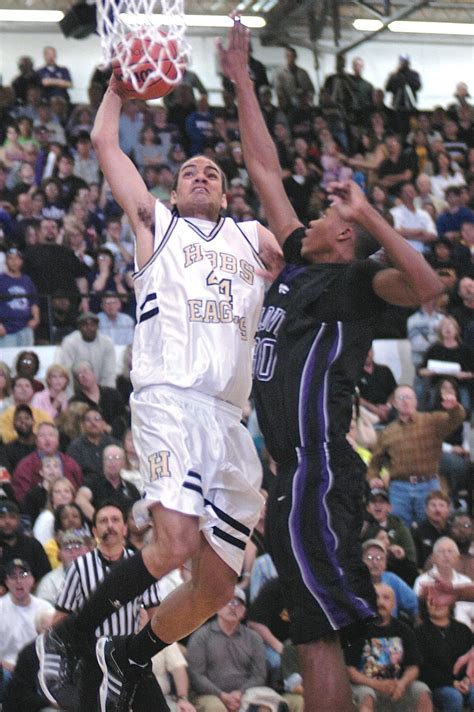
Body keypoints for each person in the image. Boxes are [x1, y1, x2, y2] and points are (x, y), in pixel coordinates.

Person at [37, 39, 279, 712]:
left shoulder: (253, 241)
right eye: (190, 171)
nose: (200, 175)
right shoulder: (158, 224)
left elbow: (275, 190)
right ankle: (76, 635)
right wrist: (117, 88)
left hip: (231, 420)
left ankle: (130, 654)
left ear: (226, 192)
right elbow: (105, 143)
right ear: (174, 187)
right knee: (172, 543)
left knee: (218, 588)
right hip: (169, 399)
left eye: (212, 172)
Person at [217, 19, 443, 712]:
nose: (306, 216)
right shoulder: (297, 266)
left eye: (322, 215)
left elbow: (428, 286)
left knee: (318, 636)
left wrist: (371, 215)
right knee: (315, 634)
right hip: (296, 473)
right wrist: (241, 81)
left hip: (318, 468)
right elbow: (263, 169)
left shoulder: (349, 284)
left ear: (341, 236)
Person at [39, 502, 166, 710]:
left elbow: (156, 615)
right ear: (95, 531)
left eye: (115, 520)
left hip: (129, 656)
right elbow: (60, 619)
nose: (110, 526)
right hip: (92, 660)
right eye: (103, 521)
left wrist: (143, 644)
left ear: (125, 528)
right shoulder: (80, 567)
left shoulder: (143, 565)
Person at [367, 384, 465, 527]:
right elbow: (374, 463)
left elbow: (456, 419)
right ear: (394, 403)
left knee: (432, 526)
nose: (405, 401)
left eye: (409, 397)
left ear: (416, 402)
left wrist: (454, 406)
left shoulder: (432, 421)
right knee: (398, 528)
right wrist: (373, 478)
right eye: (401, 398)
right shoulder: (387, 432)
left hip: (428, 484)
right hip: (399, 488)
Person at [186, 586, 286, 712]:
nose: (232, 606)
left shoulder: (254, 638)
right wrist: (221, 695)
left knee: (265, 708)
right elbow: (196, 675)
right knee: (215, 708)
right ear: (216, 607)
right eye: (226, 602)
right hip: (209, 695)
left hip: (246, 693)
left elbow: (259, 675)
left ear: (244, 612)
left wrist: (240, 693)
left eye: (237, 603)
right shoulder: (201, 637)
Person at [345, 582, 432, 712]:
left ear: (394, 603)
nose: (380, 602)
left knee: (422, 691)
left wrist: (402, 684)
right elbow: (349, 670)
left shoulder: (405, 630)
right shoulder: (357, 630)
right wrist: (377, 684)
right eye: (376, 597)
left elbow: (413, 667)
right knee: (366, 695)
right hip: (365, 686)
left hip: (397, 686)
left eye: (386, 598)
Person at [0, 559, 54, 702]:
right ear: (6, 582)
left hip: (39, 668)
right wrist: (10, 667)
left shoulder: (45, 608)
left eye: (23, 575)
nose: (19, 581)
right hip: (6, 669)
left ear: (32, 579)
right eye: (13, 576)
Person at [416, 597, 474, 712]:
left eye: (442, 599)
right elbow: (423, 667)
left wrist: (468, 679)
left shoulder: (463, 629)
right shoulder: (418, 632)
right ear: (426, 605)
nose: (437, 603)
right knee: (454, 697)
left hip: (466, 682)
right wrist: (451, 683)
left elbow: (471, 659)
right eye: (432, 600)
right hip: (436, 685)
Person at [11, 422, 83, 506]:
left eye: (51, 435)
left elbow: (79, 487)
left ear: (57, 440)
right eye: (42, 436)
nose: (47, 439)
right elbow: (21, 496)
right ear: (36, 441)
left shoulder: (70, 463)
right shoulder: (25, 465)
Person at [415, 536, 474, 629]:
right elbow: (419, 613)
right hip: (434, 633)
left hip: (466, 635)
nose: (446, 555)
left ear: (458, 558)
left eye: (450, 551)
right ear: (433, 558)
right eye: (441, 552)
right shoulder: (422, 581)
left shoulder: (466, 582)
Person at [59, 313, 117, 389]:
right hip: (77, 389)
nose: (89, 328)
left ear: (97, 327)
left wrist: (107, 395)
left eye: (92, 325)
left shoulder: (107, 343)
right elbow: (66, 372)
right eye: (85, 325)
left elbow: (109, 373)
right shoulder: (69, 342)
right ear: (79, 328)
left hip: (101, 389)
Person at [0, 246, 40, 347]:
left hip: (25, 328)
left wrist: (36, 318)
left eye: (17, 258)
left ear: (21, 261)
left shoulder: (27, 280)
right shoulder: (1, 279)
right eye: (10, 258)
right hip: (6, 329)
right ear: (6, 261)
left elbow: (33, 302)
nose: (14, 261)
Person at [66, 406, 120, 479]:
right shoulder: (75, 447)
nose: (93, 423)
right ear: (83, 425)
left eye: (97, 419)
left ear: (103, 423)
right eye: (88, 420)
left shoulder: (114, 444)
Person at [357, 347, 397, 425]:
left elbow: (395, 391)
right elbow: (354, 397)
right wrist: (375, 409)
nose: (367, 354)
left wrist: (388, 406)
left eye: (369, 350)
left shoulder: (384, 370)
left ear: (373, 352)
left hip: (388, 408)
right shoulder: (354, 374)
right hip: (367, 410)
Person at [412, 491, 451, 569]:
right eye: (433, 505)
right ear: (426, 509)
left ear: (448, 510)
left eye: (441, 505)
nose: (437, 509)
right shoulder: (417, 532)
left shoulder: (453, 531)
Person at [274, 46, 315, 114]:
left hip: (303, 105)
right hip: (288, 106)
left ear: (296, 57)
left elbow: (311, 89)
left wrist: (308, 100)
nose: (291, 58)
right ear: (286, 57)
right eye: (289, 56)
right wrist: (283, 103)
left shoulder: (303, 73)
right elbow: (278, 91)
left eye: (292, 56)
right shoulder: (280, 73)